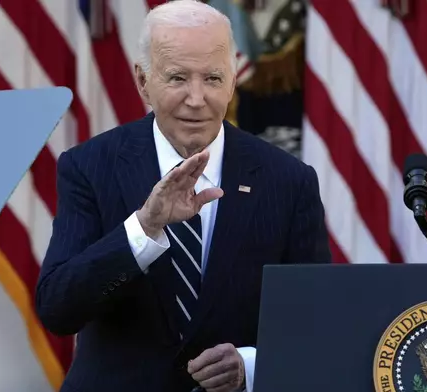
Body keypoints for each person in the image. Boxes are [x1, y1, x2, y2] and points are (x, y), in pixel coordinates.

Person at [35, 0, 331, 391]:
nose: (196, 98)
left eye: (211, 78)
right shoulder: (90, 166)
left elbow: (318, 318)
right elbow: (58, 308)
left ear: (232, 79)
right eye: (177, 78)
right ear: (143, 81)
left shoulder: (289, 180)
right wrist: (144, 228)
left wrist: (250, 364)